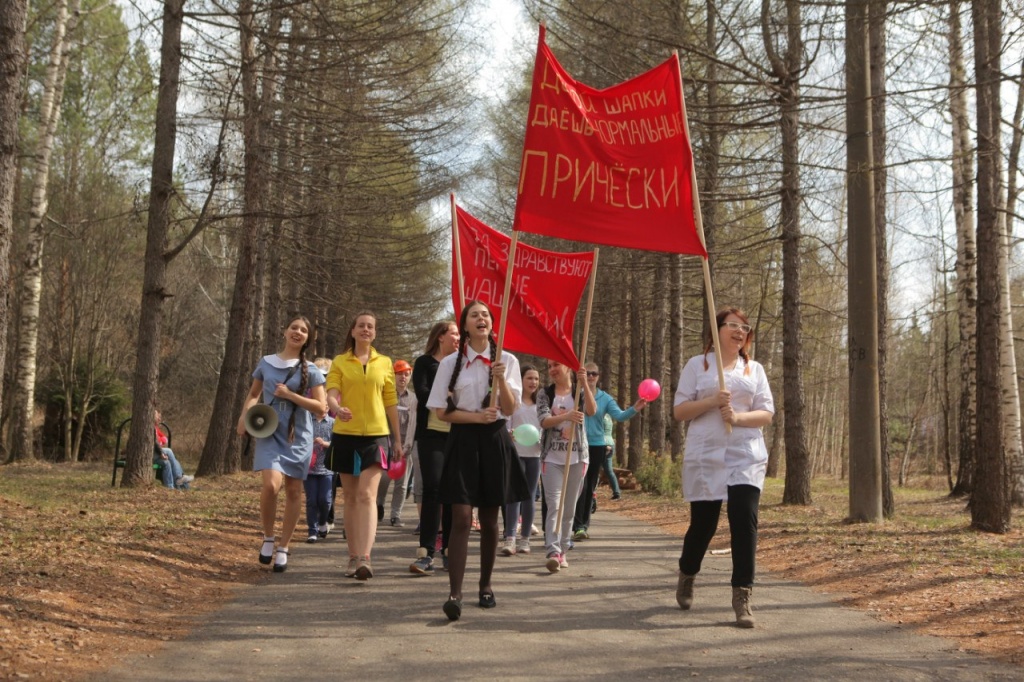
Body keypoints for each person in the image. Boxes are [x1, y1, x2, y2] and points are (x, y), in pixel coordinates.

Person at [426, 300, 530, 621]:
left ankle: (485, 585)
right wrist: (475, 417)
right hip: (463, 440)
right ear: (466, 326)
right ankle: (454, 594)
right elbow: (440, 411)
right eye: (474, 315)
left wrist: (501, 380)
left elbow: (510, 409)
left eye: (485, 315)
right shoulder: (450, 363)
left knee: (489, 519)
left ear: (491, 324)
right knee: (460, 517)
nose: (480, 318)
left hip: (495, 441)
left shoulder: (507, 360)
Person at [672, 307, 774, 628]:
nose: (740, 331)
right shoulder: (697, 365)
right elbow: (680, 411)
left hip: (745, 454)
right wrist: (711, 402)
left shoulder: (754, 369)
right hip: (707, 454)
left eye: (745, 327)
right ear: (716, 330)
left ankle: (742, 594)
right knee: (704, 525)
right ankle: (688, 572)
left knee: (744, 520)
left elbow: (766, 413)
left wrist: (738, 417)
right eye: (732, 325)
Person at [236, 316, 327, 573]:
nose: (297, 332)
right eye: (294, 328)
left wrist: (291, 395)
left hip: (298, 435)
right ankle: (268, 537)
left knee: (294, 491)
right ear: (285, 331)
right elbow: (254, 394)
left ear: (308, 338)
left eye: (303, 330)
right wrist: (244, 416)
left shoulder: (312, 369)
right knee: (270, 485)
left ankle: (284, 547)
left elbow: (321, 407)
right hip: (269, 430)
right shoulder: (266, 362)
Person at [325, 311, 404, 581]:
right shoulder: (340, 361)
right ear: (353, 331)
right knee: (350, 497)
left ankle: (365, 558)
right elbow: (331, 393)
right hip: (345, 434)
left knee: (367, 495)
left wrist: (397, 439)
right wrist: (337, 408)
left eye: (370, 326)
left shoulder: (384, 363)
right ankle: (352, 555)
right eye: (361, 326)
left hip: (376, 436)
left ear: (375, 333)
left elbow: (390, 401)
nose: (366, 329)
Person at [408, 321, 460, 576]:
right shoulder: (424, 363)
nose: (458, 338)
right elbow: (423, 393)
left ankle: (449, 549)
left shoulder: (462, 366)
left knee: (452, 492)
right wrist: (450, 397)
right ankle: (426, 551)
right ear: (441, 336)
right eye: (454, 333)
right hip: (431, 435)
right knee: (433, 488)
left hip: (458, 435)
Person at [573, 362, 647, 539]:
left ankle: (581, 526)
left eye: (594, 374)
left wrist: (635, 408)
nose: (591, 377)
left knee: (589, 486)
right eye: (587, 373)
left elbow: (620, 416)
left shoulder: (605, 398)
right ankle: (572, 523)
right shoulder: (575, 395)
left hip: (596, 446)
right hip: (577, 445)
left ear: (598, 377)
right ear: (581, 376)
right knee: (578, 485)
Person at [537, 359, 596, 573]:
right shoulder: (545, 393)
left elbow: (592, 410)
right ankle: (552, 551)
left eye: (556, 365)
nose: (552, 369)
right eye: (549, 366)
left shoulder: (579, 391)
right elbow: (543, 420)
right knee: (555, 505)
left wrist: (585, 383)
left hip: (577, 458)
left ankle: (563, 550)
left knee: (569, 508)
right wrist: (566, 416)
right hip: (551, 459)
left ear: (567, 367)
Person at [501, 365, 542, 556]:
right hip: (515, 454)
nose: (533, 382)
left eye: (536, 379)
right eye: (529, 378)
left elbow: (545, 426)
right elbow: (506, 423)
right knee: (514, 496)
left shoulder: (541, 404)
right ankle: (510, 538)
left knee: (529, 497)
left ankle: (525, 539)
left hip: (534, 455)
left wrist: (541, 438)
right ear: (521, 379)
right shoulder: (514, 401)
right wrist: (509, 434)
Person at [376, 359, 416, 527]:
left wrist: (408, 445)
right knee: (383, 480)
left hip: (406, 446)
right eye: (399, 374)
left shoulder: (413, 398)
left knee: (402, 484)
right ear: (393, 375)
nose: (403, 377)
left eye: (406, 374)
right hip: (387, 444)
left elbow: (414, 423)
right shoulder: (385, 395)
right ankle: (378, 506)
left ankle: (396, 515)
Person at [305, 407, 335, 543]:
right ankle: (312, 531)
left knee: (325, 500)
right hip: (309, 469)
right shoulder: (307, 421)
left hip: (327, 468)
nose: (324, 407)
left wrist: (325, 443)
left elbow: (337, 443)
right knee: (312, 500)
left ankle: (323, 522)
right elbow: (299, 440)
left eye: (327, 405)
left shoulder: (333, 422)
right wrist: (310, 442)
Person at [154, 409, 193, 490]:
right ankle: (178, 478)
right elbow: (156, 442)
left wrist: (161, 443)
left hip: (155, 452)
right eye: (157, 416)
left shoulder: (155, 428)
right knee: (169, 451)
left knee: (169, 462)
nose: (159, 419)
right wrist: (161, 453)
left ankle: (171, 487)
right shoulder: (150, 428)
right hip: (152, 454)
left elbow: (164, 439)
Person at [600, 414, 622, 500]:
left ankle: (591, 493)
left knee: (595, 470)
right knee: (609, 471)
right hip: (610, 443)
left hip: (602, 443)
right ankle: (617, 492)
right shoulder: (608, 416)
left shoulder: (599, 416)